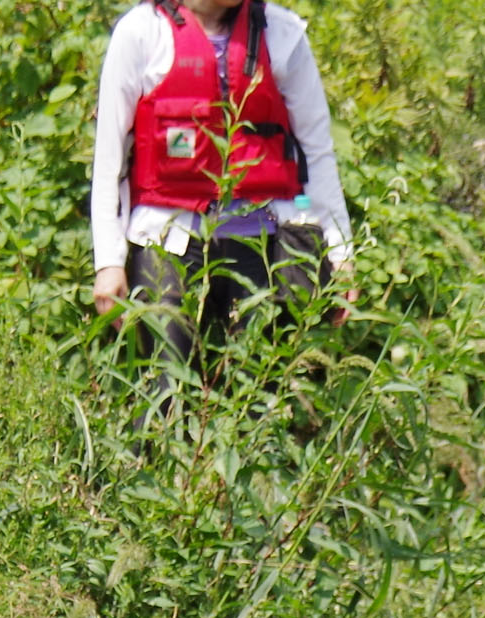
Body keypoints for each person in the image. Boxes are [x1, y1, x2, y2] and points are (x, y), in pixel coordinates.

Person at [88, 0, 353, 366]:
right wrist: (109, 262)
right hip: (166, 241)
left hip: (261, 245)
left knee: (259, 395)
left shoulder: (282, 32)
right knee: (165, 391)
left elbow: (317, 151)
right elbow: (109, 157)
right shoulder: (141, 32)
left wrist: (340, 253)